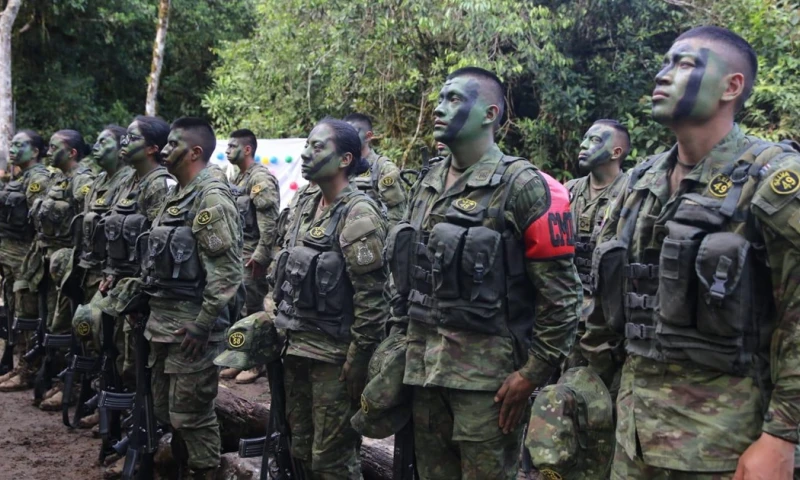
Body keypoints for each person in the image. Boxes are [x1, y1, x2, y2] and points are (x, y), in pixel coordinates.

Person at [585, 26, 800, 479]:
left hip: (725, 447)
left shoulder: (773, 180)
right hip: (631, 439)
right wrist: (578, 383)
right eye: (665, 63)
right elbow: (605, 305)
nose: (663, 75)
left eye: (684, 64)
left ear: (731, 86)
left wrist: (782, 438)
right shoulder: (640, 184)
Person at [384, 67, 581, 479]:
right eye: (440, 98)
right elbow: (411, 273)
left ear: (489, 114)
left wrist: (533, 373)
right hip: (424, 373)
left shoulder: (522, 185)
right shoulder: (427, 181)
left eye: (454, 99)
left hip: (489, 386)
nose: (439, 107)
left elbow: (562, 297)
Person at [272, 118, 389, 478]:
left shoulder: (359, 212)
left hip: (334, 360)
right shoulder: (305, 207)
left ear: (345, 159)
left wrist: (357, 360)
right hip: (295, 350)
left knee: (332, 461)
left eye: (318, 146)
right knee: (301, 450)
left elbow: (373, 299)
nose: (306, 153)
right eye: (306, 145)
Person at [142, 117, 242, 479]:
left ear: (195, 152)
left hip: (191, 332)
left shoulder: (210, 197)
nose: (165, 150)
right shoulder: (177, 195)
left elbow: (227, 274)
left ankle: (206, 472)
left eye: (173, 145)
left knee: (193, 417)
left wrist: (202, 326)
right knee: (168, 413)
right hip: (163, 327)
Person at [12, 130, 95, 406]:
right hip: (46, 259)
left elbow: (87, 225)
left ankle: (68, 384)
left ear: (71, 152)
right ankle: (50, 377)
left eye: (54, 147)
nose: (48, 151)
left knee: (64, 325)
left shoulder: (82, 180)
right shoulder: (57, 178)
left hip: (68, 263)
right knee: (48, 323)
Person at [562, 119, 630, 371]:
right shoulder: (567, 192)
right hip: (567, 310)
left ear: (616, 152)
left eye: (595, 140)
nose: (583, 145)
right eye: (585, 138)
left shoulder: (631, 193)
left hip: (607, 317)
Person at [219, 129, 279, 384]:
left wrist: (261, 255)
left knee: (253, 311)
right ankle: (240, 357)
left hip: (252, 254)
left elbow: (270, 223)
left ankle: (257, 365)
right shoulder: (238, 178)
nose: (227, 150)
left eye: (232, 146)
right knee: (238, 309)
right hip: (237, 252)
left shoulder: (260, 179)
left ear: (247, 149)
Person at [0, 130, 54, 392]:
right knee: (13, 311)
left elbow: (39, 221)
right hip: (11, 255)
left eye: (20, 145)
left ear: (35, 151)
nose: (13, 148)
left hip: (26, 257)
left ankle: (28, 368)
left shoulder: (39, 179)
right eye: (12, 144)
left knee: (27, 313)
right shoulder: (19, 177)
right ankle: (17, 365)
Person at [344, 113, 408, 227]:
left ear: (368, 136)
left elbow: (397, 216)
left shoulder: (384, 168)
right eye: (344, 133)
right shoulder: (342, 166)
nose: (347, 138)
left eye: (353, 133)